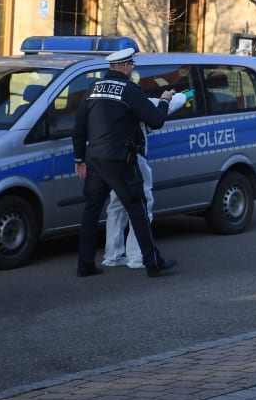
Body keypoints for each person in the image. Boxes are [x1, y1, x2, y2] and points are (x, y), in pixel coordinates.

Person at [72, 47, 178, 278]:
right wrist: (164, 100)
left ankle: (85, 265)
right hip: (120, 160)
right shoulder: (130, 91)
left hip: (95, 159)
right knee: (138, 208)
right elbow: (156, 120)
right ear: (127, 66)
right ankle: (153, 263)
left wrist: (79, 159)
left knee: (91, 211)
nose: (132, 70)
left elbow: (79, 127)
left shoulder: (92, 89)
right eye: (131, 66)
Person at [103, 87, 189, 269]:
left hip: (113, 159)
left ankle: (113, 255)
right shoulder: (142, 102)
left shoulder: (109, 100)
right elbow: (171, 105)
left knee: (116, 205)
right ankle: (137, 256)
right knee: (143, 205)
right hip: (135, 160)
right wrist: (171, 96)